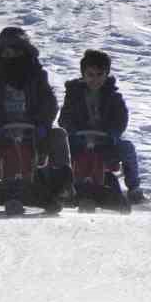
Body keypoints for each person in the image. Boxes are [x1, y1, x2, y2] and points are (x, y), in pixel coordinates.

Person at [0, 26, 71, 209]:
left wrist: (42, 124)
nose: (11, 56)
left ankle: (61, 184)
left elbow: (49, 103)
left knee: (59, 135)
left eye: (16, 51)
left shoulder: (37, 78)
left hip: (34, 135)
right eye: (6, 52)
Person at [59, 49, 142, 204]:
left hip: (105, 141)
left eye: (99, 75)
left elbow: (121, 118)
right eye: (90, 75)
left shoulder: (113, 97)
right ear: (83, 75)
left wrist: (114, 133)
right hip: (79, 141)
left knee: (127, 148)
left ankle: (134, 188)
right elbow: (65, 117)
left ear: (106, 74)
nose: (95, 79)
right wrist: (72, 131)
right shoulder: (73, 95)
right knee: (60, 149)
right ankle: (63, 186)